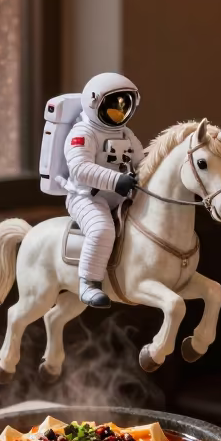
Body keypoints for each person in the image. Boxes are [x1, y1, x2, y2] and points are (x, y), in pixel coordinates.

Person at [63, 71, 144, 307]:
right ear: (94, 103)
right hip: (87, 197)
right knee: (101, 230)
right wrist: (116, 180)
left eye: (124, 105)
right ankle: (89, 283)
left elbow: (141, 161)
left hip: (121, 195)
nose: (119, 110)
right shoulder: (82, 133)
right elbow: (80, 168)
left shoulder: (126, 133)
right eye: (114, 105)